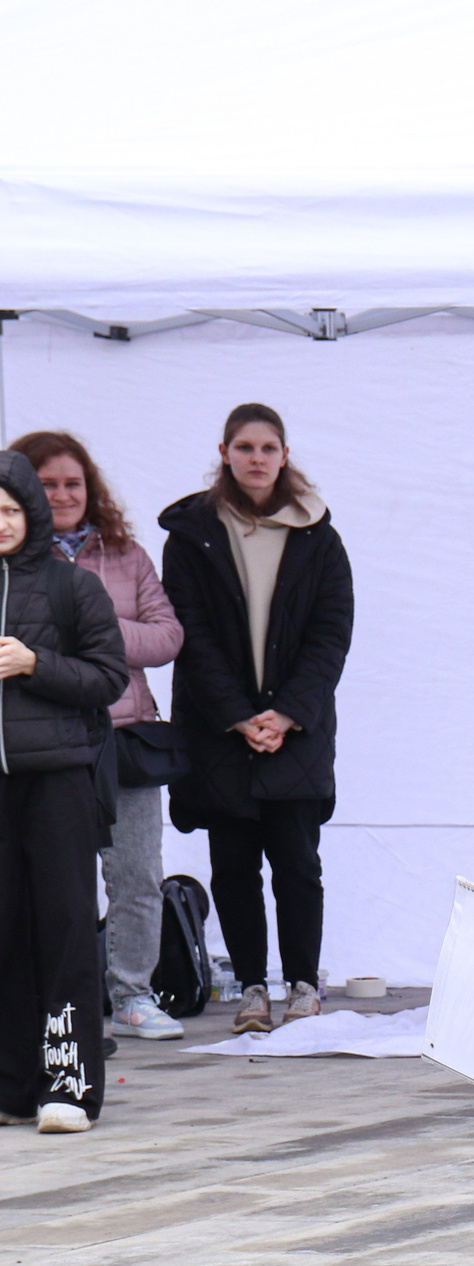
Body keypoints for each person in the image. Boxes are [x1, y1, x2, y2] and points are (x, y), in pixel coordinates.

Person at [158, 405, 353, 1035]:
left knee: (297, 862)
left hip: (295, 730)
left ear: (285, 455)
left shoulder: (318, 533)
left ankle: (301, 982)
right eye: (245, 447)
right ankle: (249, 989)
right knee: (233, 866)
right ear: (224, 453)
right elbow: (191, 634)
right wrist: (240, 717)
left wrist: (289, 713)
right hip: (222, 733)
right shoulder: (193, 534)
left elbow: (332, 633)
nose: (258, 458)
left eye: (269, 447)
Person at [13, 431, 188, 1041]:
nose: (62, 494)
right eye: (48, 483)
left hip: (125, 736)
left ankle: (133, 992)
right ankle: (64, 1004)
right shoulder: (13, 564)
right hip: (44, 741)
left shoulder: (125, 555)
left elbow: (167, 637)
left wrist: (91, 622)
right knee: (55, 882)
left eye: (73, 483)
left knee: (137, 872)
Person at [0, 451, 129, 1132]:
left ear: (32, 515)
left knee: (66, 929)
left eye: (10, 511)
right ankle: (10, 1084)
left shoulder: (70, 586)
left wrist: (33, 663)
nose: (0, 523)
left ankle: (70, 1084)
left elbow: (109, 678)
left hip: (58, 782)